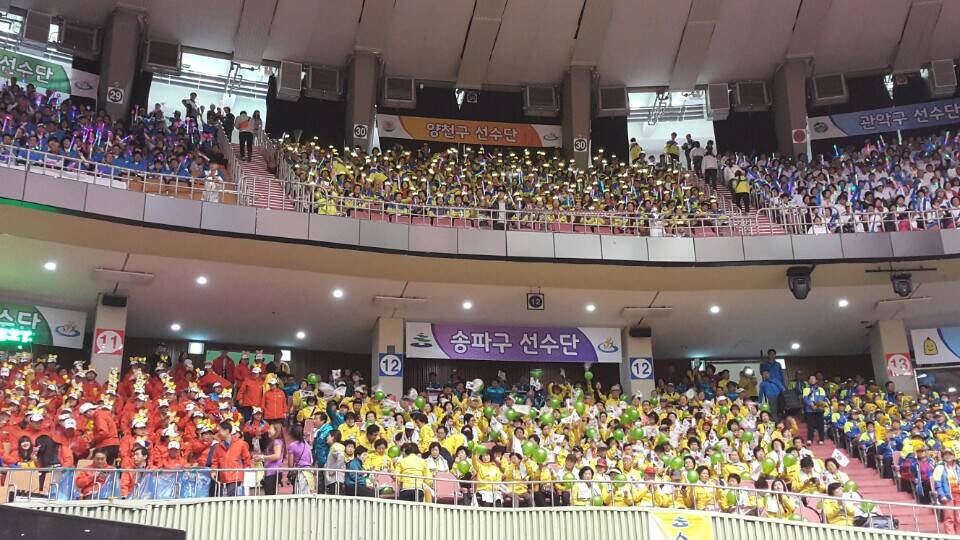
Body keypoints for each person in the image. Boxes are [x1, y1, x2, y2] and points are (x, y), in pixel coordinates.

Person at [211, 421, 252, 496]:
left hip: (236, 477)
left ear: (227, 431)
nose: (218, 433)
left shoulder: (241, 444)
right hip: (223, 478)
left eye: (220, 430)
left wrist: (246, 476)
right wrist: (213, 471)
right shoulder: (218, 446)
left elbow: (247, 460)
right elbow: (215, 461)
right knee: (226, 499)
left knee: (231, 499)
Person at [934, 447, 960, 534]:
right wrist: (942, 495)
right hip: (947, 496)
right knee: (949, 518)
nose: (948, 456)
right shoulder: (939, 468)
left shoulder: (958, 468)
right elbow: (937, 484)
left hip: (958, 495)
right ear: (943, 456)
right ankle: (951, 536)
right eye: (945, 454)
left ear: (954, 456)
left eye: (950, 454)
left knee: (959, 518)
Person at [255, 422, 285, 495]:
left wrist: (262, 457)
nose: (268, 431)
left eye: (270, 429)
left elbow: (277, 456)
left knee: (270, 495)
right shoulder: (275, 442)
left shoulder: (277, 442)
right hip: (270, 472)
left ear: (276, 431)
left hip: (273, 472)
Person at [286, 424, 315, 494]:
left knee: (298, 495)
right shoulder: (306, 444)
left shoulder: (292, 446)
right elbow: (311, 460)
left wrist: (290, 475)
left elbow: (290, 465)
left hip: (300, 474)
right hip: (309, 473)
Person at [801, 375, 828, 445]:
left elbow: (822, 397)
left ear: (816, 380)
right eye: (810, 379)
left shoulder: (821, 389)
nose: (812, 380)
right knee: (810, 425)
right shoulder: (806, 389)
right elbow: (805, 398)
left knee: (820, 425)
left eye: (813, 378)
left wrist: (816, 404)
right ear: (808, 381)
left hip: (819, 409)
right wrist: (811, 404)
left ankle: (821, 439)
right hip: (810, 410)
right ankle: (810, 439)